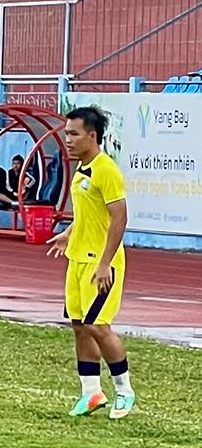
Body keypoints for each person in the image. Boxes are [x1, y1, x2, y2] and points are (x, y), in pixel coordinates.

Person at [46, 106, 135, 419]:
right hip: (77, 260)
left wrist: (105, 263)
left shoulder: (105, 169)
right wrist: (68, 234)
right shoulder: (82, 169)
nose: (67, 140)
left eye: (74, 134)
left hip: (100, 264)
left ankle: (124, 390)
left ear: (92, 136)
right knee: (80, 326)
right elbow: (88, 213)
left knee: (99, 326)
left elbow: (119, 217)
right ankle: (91, 392)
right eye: (66, 133)